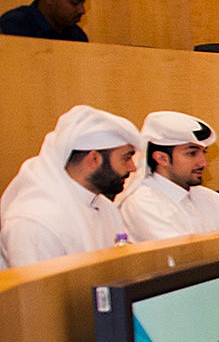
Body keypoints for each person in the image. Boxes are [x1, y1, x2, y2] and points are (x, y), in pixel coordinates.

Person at [0, 104, 140, 268]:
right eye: (126, 158)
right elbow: (38, 292)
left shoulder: (104, 206)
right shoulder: (36, 221)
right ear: (93, 159)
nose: (133, 168)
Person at [118, 111, 219, 241]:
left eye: (204, 152)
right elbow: (182, 257)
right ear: (162, 158)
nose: (203, 163)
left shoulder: (207, 197)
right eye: (191, 153)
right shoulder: (143, 203)